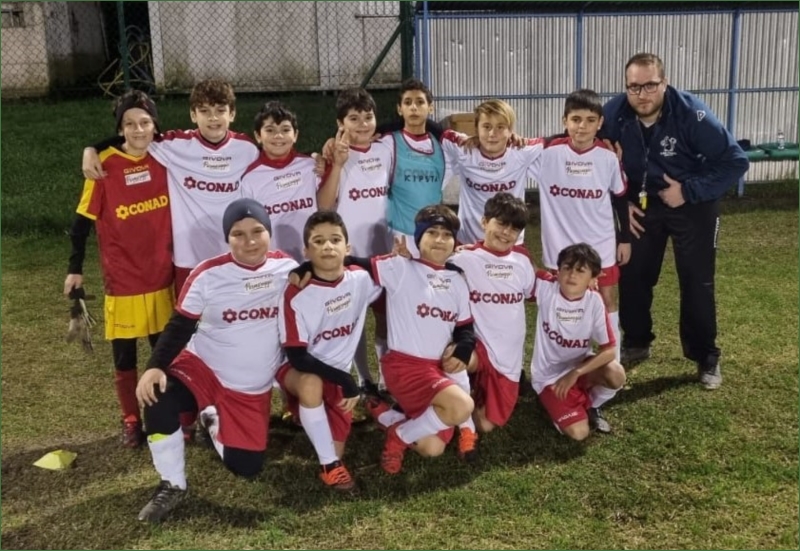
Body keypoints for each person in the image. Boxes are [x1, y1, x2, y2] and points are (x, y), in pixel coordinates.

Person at [134, 198, 297, 523]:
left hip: (249, 388)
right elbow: (181, 324)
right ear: (227, 238)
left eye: (257, 231)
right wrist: (155, 366)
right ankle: (172, 484)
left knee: (246, 466)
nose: (250, 241)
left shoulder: (288, 270)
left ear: (269, 232)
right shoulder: (207, 274)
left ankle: (210, 418)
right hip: (202, 368)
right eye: (238, 234)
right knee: (158, 396)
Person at [600, 53, 749, 389]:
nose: (642, 94)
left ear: (664, 83)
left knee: (697, 280)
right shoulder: (614, 114)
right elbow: (587, 150)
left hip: (691, 203)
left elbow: (735, 161)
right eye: (633, 87)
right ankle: (637, 340)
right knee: (634, 273)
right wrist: (621, 203)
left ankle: (705, 356)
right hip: (642, 204)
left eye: (650, 85)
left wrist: (689, 190)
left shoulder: (692, 114)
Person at [64, 90, 173, 448]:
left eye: (145, 122)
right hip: (123, 280)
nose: (138, 130)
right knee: (124, 357)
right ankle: (130, 420)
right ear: (120, 128)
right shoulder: (104, 166)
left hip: (162, 276)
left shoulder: (167, 155)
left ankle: (164, 415)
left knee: (164, 353)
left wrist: (91, 145)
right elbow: (81, 222)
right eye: (129, 124)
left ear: (155, 125)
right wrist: (74, 268)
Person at [390, 193, 535, 459]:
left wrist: (584, 281)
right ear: (484, 222)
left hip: (508, 357)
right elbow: (427, 270)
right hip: (476, 347)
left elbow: (539, 289)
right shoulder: (461, 260)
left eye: (514, 228)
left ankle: (451, 408)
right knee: (451, 358)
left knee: (487, 424)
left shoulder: (523, 262)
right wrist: (406, 258)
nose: (506, 232)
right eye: (501, 223)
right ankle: (457, 422)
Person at [82, 79, 259, 294]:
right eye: (204, 111)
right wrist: (91, 149)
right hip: (188, 257)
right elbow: (138, 136)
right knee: (190, 313)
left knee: (233, 310)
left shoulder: (247, 149)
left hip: (233, 251)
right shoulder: (175, 145)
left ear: (232, 114)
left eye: (220, 110)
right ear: (193, 115)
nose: (213, 118)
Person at [277, 211, 383, 491]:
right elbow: (297, 356)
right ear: (306, 250)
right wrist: (346, 380)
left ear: (348, 248)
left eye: (335, 240)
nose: (327, 246)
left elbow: (398, 270)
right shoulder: (296, 293)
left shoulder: (361, 279)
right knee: (311, 385)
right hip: (300, 370)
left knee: (335, 447)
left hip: (337, 377)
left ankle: (319, 429)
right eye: (318, 241)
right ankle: (330, 468)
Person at [371, 205, 476, 474]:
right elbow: (354, 264)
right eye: (432, 233)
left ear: (455, 241)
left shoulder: (457, 279)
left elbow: (465, 327)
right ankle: (400, 437)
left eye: (447, 234)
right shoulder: (401, 267)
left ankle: (391, 419)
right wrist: (306, 268)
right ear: (418, 238)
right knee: (462, 406)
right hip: (406, 367)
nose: (440, 239)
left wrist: (465, 347)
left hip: (438, 369)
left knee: (432, 448)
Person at [532, 89, 631, 361]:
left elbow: (620, 198)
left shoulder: (608, 157)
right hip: (559, 248)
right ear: (564, 120)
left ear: (600, 123)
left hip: (601, 246)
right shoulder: (546, 153)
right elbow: (513, 150)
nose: (582, 127)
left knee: (607, 300)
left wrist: (625, 239)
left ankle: (612, 361)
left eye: (590, 120)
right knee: (560, 304)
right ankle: (560, 361)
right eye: (575, 119)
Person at [317, 87, 393, 395]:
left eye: (368, 117)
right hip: (348, 255)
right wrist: (336, 163)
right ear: (340, 123)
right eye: (354, 118)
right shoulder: (333, 156)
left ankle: (386, 380)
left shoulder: (386, 148)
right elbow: (324, 207)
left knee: (386, 316)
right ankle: (365, 379)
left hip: (383, 251)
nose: (363, 124)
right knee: (354, 319)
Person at [530, 243, 626, 439]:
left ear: (593, 278)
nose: (572, 275)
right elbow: (522, 263)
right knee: (579, 433)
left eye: (581, 271)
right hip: (548, 376)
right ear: (557, 271)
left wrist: (576, 372)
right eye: (567, 268)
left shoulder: (594, 301)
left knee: (616, 374)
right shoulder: (546, 288)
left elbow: (609, 349)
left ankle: (591, 405)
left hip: (578, 368)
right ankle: (555, 400)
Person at [441, 99, 543, 245]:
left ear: (511, 130)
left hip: (509, 243)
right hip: (468, 242)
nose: (492, 133)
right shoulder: (464, 150)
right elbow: (440, 133)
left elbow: (555, 141)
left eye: (500, 127)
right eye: (486, 127)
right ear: (476, 129)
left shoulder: (522, 151)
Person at [240, 101, 321, 262]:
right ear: (258, 136)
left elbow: (327, 202)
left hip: (313, 257)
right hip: (273, 262)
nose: (278, 136)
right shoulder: (250, 178)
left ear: (295, 135)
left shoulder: (311, 166)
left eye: (285, 130)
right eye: (270, 130)